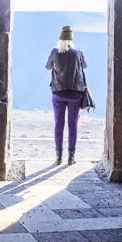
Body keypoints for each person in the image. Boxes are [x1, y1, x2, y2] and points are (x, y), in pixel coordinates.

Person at [45, 25, 88, 165]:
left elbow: (48, 67)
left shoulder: (54, 52)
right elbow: (85, 66)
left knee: (59, 123)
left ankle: (58, 157)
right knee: (73, 124)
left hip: (58, 92)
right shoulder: (78, 53)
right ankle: (71, 157)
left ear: (60, 38)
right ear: (71, 39)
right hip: (75, 94)